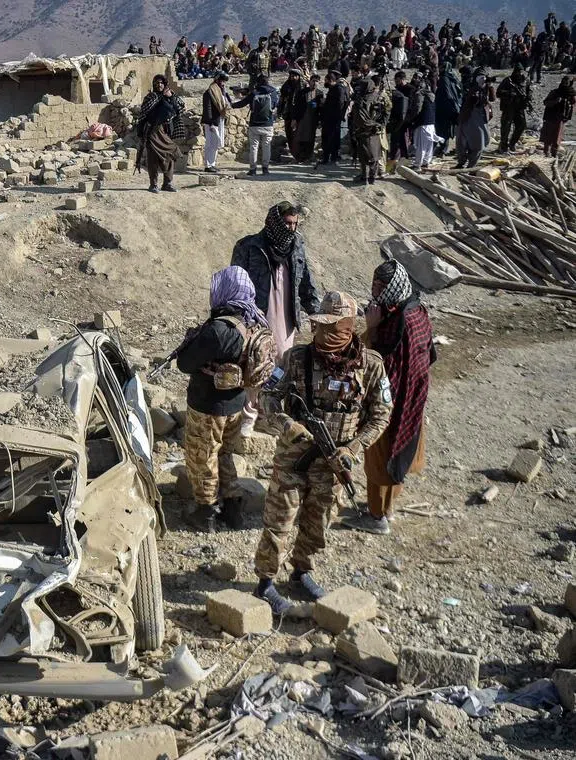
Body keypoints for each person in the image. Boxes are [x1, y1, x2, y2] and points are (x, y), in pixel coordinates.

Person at [253, 291, 393, 614]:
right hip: (293, 458)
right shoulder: (295, 359)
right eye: (319, 327)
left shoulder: (370, 367)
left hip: (332, 464)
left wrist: (354, 448)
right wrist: (288, 426)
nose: (323, 335)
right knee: (279, 521)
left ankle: (302, 572)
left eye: (333, 329)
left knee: (318, 524)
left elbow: (381, 413)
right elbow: (267, 397)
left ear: (349, 329)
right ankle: (265, 583)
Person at [178, 266, 273, 530]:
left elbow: (185, 364)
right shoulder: (255, 321)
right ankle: (233, 509)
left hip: (208, 405)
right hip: (237, 403)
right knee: (228, 454)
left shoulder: (219, 329)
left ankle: (205, 511)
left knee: (203, 456)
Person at [344, 262, 434, 535]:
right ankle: (388, 508)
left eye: (380, 289)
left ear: (392, 289)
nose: (375, 294)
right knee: (398, 452)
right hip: (413, 396)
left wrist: (371, 327)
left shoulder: (398, 322)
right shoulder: (416, 309)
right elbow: (430, 354)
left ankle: (376, 517)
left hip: (392, 400)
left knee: (381, 456)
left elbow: (375, 361)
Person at [231, 202, 322, 434]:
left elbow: (306, 282)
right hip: (257, 316)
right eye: (287, 224)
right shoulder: (249, 246)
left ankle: (268, 413)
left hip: (286, 315)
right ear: (275, 222)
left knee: (280, 365)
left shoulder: (296, 246)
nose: (291, 229)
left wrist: (316, 313)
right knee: (255, 364)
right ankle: (249, 415)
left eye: (294, 224)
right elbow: (236, 284)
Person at [135, 75, 184, 191]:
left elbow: (179, 108)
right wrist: (141, 133)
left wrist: (170, 97)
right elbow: (143, 114)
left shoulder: (171, 96)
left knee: (170, 155)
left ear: (165, 84)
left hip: (165, 131)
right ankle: (153, 184)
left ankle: (167, 183)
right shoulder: (151, 97)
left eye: (161, 83)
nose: (159, 85)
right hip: (152, 132)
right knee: (153, 159)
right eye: (156, 83)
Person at [233, 74, 280, 176]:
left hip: (254, 124)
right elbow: (276, 104)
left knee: (254, 147)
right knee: (266, 146)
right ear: (268, 81)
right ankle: (265, 169)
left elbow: (242, 103)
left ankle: (253, 169)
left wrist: (231, 105)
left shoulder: (254, 93)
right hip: (268, 124)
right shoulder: (273, 92)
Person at [350, 76, 387, 184]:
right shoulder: (378, 97)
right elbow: (385, 113)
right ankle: (372, 178)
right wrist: (379, 124)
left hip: (364, 131)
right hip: (374, 131)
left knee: (365, 156)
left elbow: (359, 118)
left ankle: (365, 177)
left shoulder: (361, 100)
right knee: (374, 156)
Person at [457, 69, 495, 168]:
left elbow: (492, 98)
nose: (483, 79)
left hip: (480, 118)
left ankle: (471, 164)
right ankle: (462, 161)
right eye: (480, 77)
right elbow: (471, 99)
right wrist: (478, 88)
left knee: (480, 143)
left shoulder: (486, 88)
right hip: (469, 116)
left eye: (484, 77)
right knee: (462, 142)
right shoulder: (471, 86)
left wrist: (490, 87)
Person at [407, 72, 440, 169]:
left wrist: (411, 118)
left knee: (421, 145)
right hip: (431, 122)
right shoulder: (431, 95)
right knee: (428, 144)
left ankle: (417, 165)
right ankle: (426, 162)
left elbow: (417, 108)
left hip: (422, 122)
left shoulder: (420, 94)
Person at [497, 64, 533, 152]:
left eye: (521, 72)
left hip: (520, 107)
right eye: (517, 72)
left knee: (521, 125)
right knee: (506, 127)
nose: (519, 74)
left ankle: (512, 143)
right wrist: (509, 93)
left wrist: (529, 96)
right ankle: (503, 145)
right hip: (508, 107)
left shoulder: (525, 81)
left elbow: (529, 90)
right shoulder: (508, 81)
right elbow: (498, 93)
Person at [201, 71, 231, 172]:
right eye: (222, 81)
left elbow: (226, 103)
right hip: (212, 122)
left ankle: (212, 163)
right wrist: (211, 123)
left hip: (219, 120)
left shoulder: (221, 91)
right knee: (210, 143)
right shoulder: (210, 92)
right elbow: (208, 108)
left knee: (216, 144)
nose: (223, 83)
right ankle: (208, 165)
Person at [319, 71, 349, 165]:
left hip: (333, 118)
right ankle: (329, 157)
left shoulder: (339, 89)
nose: (325, 82)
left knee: (331, 138)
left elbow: (340, 103)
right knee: (329, 137)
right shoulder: (333, 89)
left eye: (326, 80)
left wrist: (337, 114)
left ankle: (331, 157)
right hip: (330, 118)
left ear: (331, 80)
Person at [541, 77, 576, 157]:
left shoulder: (571, 93)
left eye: (567, 83)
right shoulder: (555, 92)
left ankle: (554, 154)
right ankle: (546, 153)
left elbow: (573, 104)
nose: (565, 84)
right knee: (548, 136)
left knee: (557, 137)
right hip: (551, 116)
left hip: (561, 118)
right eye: (564, 82)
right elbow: (546, 102)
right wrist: (555, 101)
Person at [434, 65, 462, 156]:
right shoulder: (453, 77)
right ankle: (443, 149)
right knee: (446, 130)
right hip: (452, 108)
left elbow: (447, 94)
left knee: (442, 130)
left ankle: (442, 150)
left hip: (444, 108)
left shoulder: (444, 79)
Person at [386, 71, 411, 173]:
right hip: (396, 121)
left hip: (404, 122)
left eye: (397, 81)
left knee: (403, 144)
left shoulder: (410, 90)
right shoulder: (397, 90)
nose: (396, 83)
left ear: (402, 79)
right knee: (395, 144)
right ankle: (392, 168)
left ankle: (402, 167)